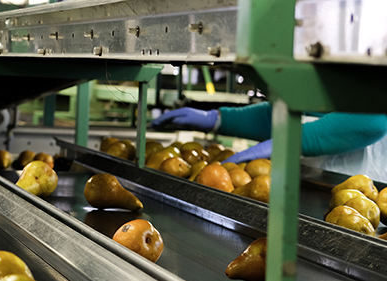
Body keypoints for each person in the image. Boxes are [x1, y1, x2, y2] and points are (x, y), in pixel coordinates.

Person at [150, 105, 387, 181]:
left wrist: (296, 140)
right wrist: (219, 120)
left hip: (363, 188)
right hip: (310, 182)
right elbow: (295, 107)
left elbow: (376, 116)